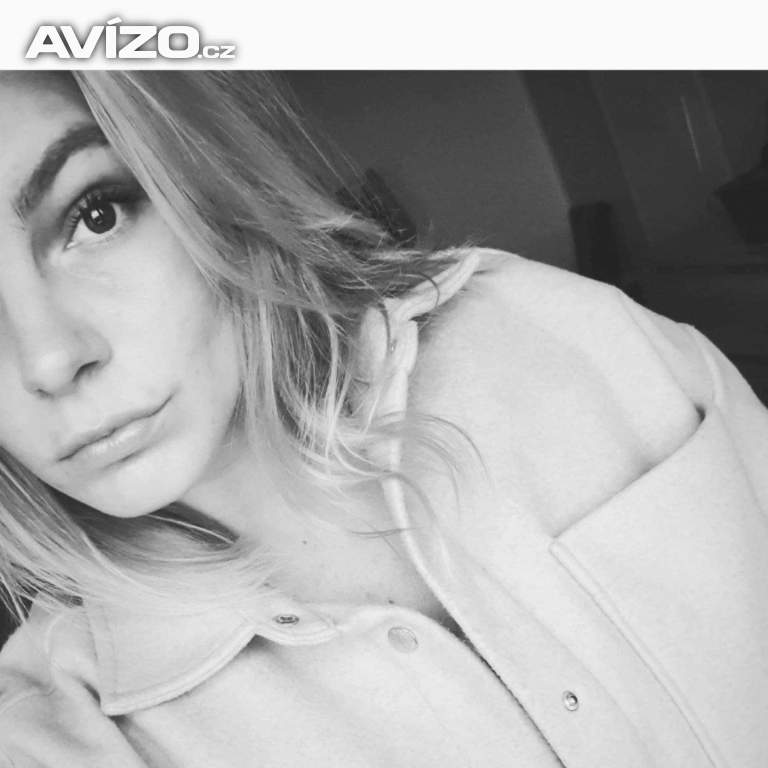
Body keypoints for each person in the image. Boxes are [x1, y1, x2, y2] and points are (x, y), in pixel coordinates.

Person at [0, 70, 765, 768]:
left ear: (199, 177)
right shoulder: (61, 730)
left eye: (96, 214)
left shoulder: (557, 327)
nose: (49, 358)